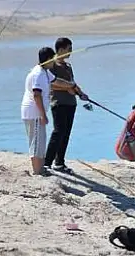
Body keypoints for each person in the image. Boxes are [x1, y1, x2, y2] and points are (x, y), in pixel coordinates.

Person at [20, 46, 76, 176]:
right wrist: (43, 115)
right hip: (34, 112)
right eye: (52, 59)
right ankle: (37, 171)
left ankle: (40, 168)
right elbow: (36, 95)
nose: (54, 61)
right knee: (36, 142)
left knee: (41, 141)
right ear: (48, 59)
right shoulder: (38, 74)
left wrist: (72, 85)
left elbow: (57, 81)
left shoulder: (46, 72)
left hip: (37, 112)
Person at [44, 37, 88, 174]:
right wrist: (66, 89)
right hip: (58, 103)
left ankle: (59, 162)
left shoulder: (68, 66)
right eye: (69, 49)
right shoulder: (52, 65)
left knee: (66, 133)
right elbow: (51, 83)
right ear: (61, 49)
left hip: (71, 103)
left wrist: (81, 94)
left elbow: (72, 83)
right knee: (58, 132)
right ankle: (46, 163)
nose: (71, 52)